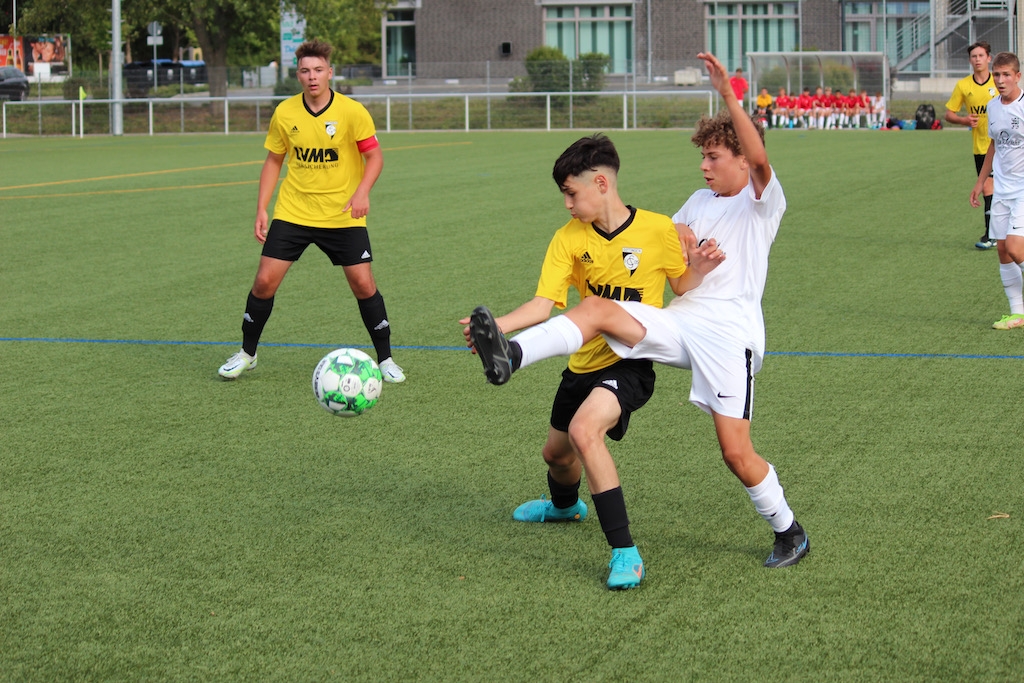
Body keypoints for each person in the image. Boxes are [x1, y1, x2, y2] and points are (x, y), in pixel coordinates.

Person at [469, 51, 810, 574]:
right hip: (681, 319)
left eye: (714, 157)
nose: (704, 165)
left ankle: (789, 530)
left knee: (736, 454)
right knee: (599, 307)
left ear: (742, 159)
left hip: (728, 335)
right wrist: (687, 247)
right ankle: (512, 355)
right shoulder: (698, 201)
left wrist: (727, 94)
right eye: (703, 157)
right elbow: (671, 248)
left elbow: (762, 160)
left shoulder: (762, 202)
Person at [461, 134, 722, 590]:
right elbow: (543, 305)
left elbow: (680, 285)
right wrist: (495, 328)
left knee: (585, 432)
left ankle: (626, 553)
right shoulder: (568, 238)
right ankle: (565, 507)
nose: (566, 204)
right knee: (556, 456)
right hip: (582, 364)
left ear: (601, 183)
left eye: (570, 193)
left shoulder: (658, 229)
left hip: (630, 362)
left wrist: (697, 267)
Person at [218, 39, 405, 383]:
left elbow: (375, 157)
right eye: (305, 71)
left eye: (318, 70)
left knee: (363, 284)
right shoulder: (285, 112)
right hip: (294, 212)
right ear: (298, 75)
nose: (312, 76)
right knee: (264, 282)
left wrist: (362, 191)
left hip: (342, 214)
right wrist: (262, 208)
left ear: (330, 72)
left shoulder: (351, 111)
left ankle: (386, 359)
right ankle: (247, 353)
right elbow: (274, 160)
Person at [970, 52, 1024, 330]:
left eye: (1006, 75)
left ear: (1018, 76)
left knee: (1015, 248)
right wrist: (981, 181)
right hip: (1002, 188)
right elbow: (993, 145)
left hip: (1023, 189)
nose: (1001, 80)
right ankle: (1018, 314)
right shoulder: (993, 107)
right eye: (997, 75)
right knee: (1002, 250)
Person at [947, 41, 999, 249]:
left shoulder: (999, 81)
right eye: (974, 56)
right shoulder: (964, 86)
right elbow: (949, 114)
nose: (977, 59)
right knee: (988, 187)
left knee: (1001, 188)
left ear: (989, 58)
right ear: (970, 60)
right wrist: (964, 120)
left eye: (981, 55)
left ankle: (994, 234)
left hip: (1004, 145)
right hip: (981, 146)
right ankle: (992, 234)